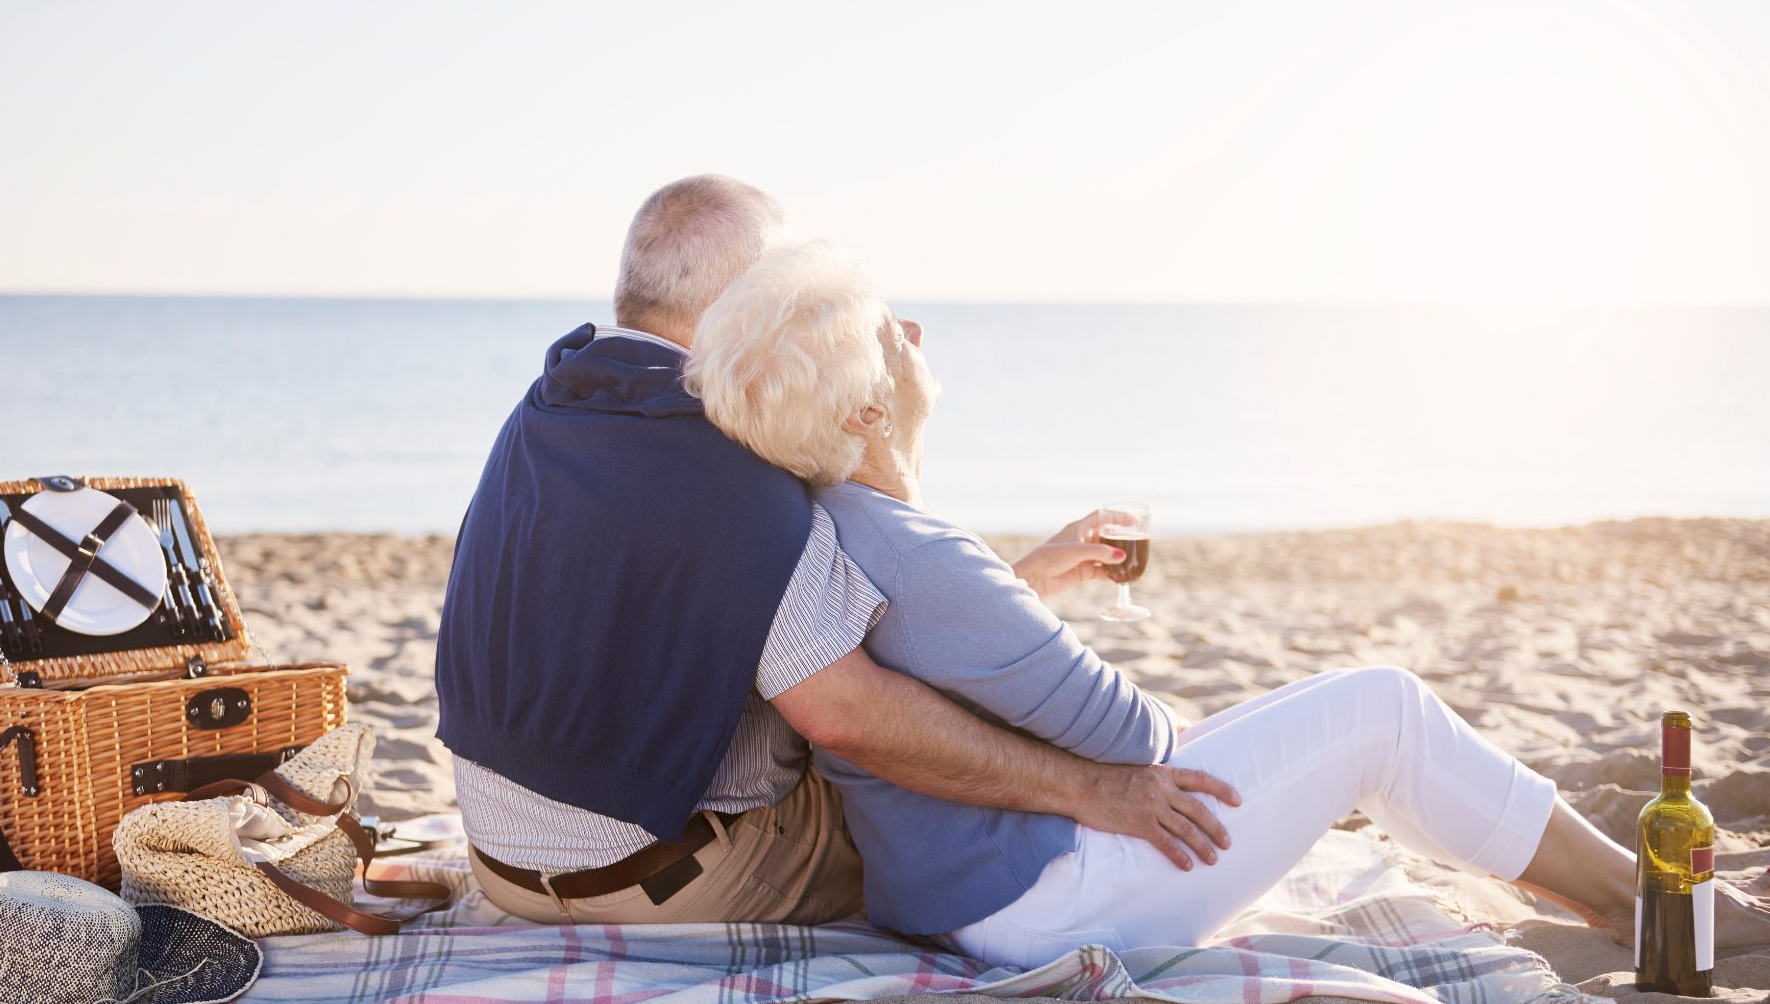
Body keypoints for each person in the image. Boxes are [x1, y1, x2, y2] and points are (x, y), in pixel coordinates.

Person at [685, 239, 1770, 964]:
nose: (918, 336)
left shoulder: (829, 523)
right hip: (1048, 901)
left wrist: (1026, 588)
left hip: (960, 892)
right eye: (894, 333)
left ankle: (1579, 874)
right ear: (871, 410)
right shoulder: (929, 558)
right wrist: (1026, 622)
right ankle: (1651, 904)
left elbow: (928, 648)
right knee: (1380, 711)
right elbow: (1139, 739)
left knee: (1338, 726)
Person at [435, 177, 1239, 927]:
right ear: (752, 300)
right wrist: (1093, 790)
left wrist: (1015, 581)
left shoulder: (552, 407)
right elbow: (851, 718)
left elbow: (660, 609)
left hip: (504, 868)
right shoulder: (725, 459)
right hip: (654, 883)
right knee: (925, 797)